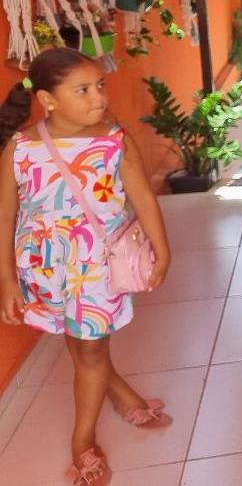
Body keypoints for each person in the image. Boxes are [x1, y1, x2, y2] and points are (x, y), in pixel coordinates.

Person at [0, 48, 172, 484]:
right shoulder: (20, 148)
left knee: (90, 346)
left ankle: (82, 442)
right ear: (47, 99)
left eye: (100, 86)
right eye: (83, 90)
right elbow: (4, 217)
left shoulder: (114, 139)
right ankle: (123, 394)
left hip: (97, 265)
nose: (99, 98)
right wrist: (7, 280)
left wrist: (162, 249)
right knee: (79, 338)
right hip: (44, 267)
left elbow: (143, 195)